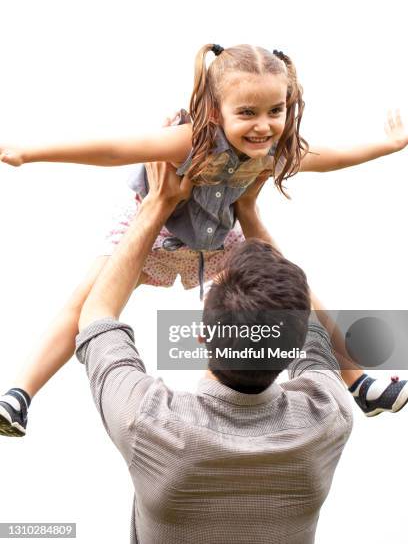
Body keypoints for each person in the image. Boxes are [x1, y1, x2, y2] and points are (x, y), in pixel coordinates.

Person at [0, 44, 407, 438]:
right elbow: (114, 148)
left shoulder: (273, 150)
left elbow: (331, 157)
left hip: (216, 237)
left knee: (295, 291)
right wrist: (28, 152)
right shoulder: (190, 140)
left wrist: (388, 145)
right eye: (247, 112)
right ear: (216, 110)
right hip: (155, 230)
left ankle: (358, 383)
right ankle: (20, 394)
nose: (263, 125)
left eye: (275, 111)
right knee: (84, 305)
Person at [74, 160, 352, 544]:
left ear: (202, 334)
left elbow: (96, 313)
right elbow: (307, 321)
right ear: (293, 354)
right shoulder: (328, 415)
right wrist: (249, 213)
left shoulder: (149, 423)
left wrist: (156, 204)